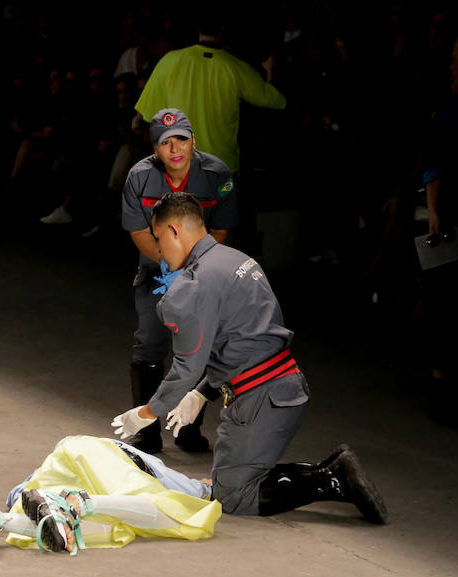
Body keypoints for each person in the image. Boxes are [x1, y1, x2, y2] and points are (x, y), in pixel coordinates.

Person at [112, 192, 387, 523]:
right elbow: (246, 339)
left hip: (259, 401)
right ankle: (329, 470)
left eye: (158, 238)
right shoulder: (238, 261)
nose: (158, 250)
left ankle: (329, 479)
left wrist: (147, 412)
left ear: (173, 231)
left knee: (232, 497)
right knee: (228, 481)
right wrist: (202, 393)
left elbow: (186, 367)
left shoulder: (193, 285)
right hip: (285, 388)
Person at [121, 109, 237, 454]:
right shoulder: (139, 177)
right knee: (149, 345)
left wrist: (192, 271)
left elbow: (220, 229)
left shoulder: (217, 174)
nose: (175, 149)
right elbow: (138, 231)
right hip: (157, 273)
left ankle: (187, 429)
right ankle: (148, 429)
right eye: (165, 142)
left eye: (182, 140)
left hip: (201, 273)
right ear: (155, 149)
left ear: (193, 142)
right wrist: (168, 265)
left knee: (196, 347)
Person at [0, 435, 220, 557]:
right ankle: (77, 504)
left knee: (117, 529)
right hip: (91, 459)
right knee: (179, 514)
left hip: (45, 483)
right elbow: (203, 489)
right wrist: (204, 488)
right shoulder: (177, 482)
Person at [133, 13, 286, 173]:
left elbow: (144, 116)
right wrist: (270, 72)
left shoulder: (169, 61)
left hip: (181, 171)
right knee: (225, 194)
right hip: (223, 172)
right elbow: (275, 100)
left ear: (197, 28)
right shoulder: (236, 67)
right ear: (223, 28)